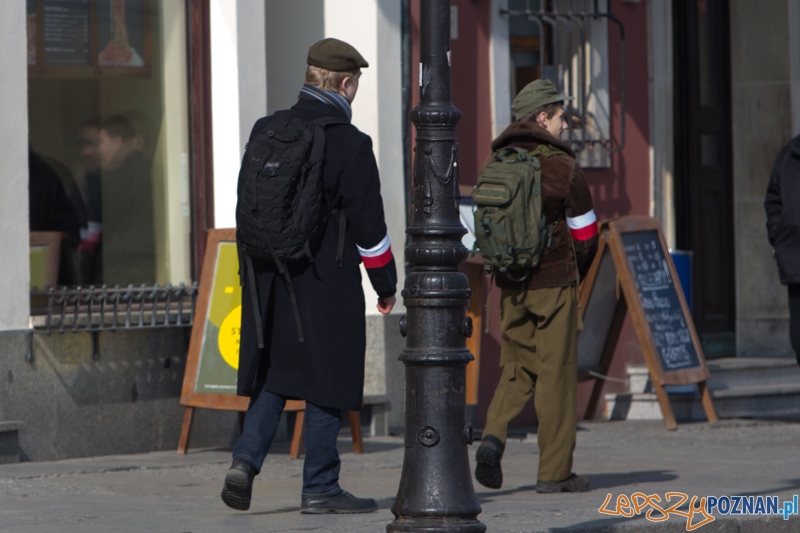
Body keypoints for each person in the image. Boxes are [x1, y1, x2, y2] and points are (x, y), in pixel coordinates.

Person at [220, 38, 398, 514]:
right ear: (346, 83)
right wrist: (385, 284)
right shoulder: (351, 143)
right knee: (327, 379)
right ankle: (320, 486)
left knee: (275, 374)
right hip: (325, 280)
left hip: (269, 277)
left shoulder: (267, 129)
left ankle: (244, 461)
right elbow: (370, 226)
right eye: (355, 84)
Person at [474, 79, 598, 493]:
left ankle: (492, 437)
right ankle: (554, 472)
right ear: (543, 117)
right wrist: (572, 269)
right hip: (554, 281)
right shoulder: (563, 166)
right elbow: (587, 235)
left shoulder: (496, 161)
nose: (565, 125)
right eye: (561, 117)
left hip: (510, 281)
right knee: (556, 374)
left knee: (516, 366)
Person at [95, 115, 155, 286]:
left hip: (123, 265)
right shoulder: (152, 171)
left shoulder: (114, 179)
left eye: (102, 142)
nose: (99, 149)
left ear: (118, 142)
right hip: (145, 260)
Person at [765, 133, 800, 364]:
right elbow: (773, 201)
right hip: (796, 258)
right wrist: (779, 236)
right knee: (799, 338)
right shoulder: (788, 156)